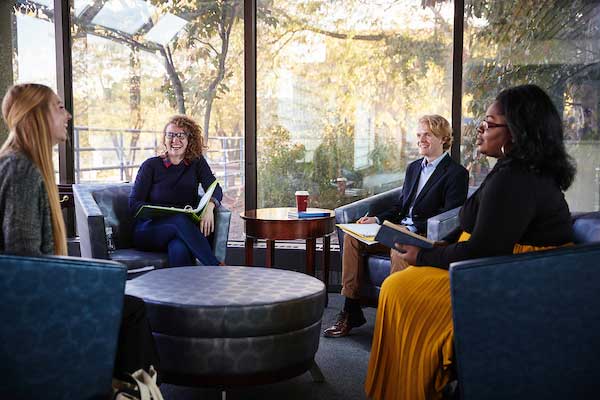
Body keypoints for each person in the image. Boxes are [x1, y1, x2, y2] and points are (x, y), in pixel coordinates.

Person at [365, 84, 576, 400]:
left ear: (516, 132)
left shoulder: (515, 178)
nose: (480, 130)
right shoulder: (509, 169)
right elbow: (473, 227)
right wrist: (433, 248)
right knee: (401, 285)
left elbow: (485, 250)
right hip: (500, 264)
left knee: (399, 290)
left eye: (489, 124)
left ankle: (411, 390)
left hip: (514, 275)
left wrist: (423, 256)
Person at [0, 83, 159, 379]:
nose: (68, 115)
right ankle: (135, 391)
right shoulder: (20, 169)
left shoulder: (18, 164)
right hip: (25, 306)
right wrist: (87, 279)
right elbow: (23, 262)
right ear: (36, 115)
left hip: (31, 296)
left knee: (124, 301)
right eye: (59, 107)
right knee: (132, 310)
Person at [324, 115, 469, 338]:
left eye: (427, 135)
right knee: (352, 238)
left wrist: (411, 229)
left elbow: (450, 215)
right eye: (419, 135)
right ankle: (351, 309)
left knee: (398, 248)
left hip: (420, 236)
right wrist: (377, 220)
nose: (421, 139)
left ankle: (393, 318)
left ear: (443, 138)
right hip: (397, 229)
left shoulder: (456, 174)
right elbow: (402, 206)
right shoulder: (413, 168)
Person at [129, 115, 223, 267]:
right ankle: (215, 267)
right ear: (165, 139)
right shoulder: (150, 166)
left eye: (181, 135)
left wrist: (210, 207)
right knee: (179, 220)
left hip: (181, 231)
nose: (175, 140)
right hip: (149, 230)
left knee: (179, 248)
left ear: (189, 140)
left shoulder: (196, 163)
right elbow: (133, 204)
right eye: (171, 135)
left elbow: (215, 188)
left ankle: (183, 290)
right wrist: (158, 211)